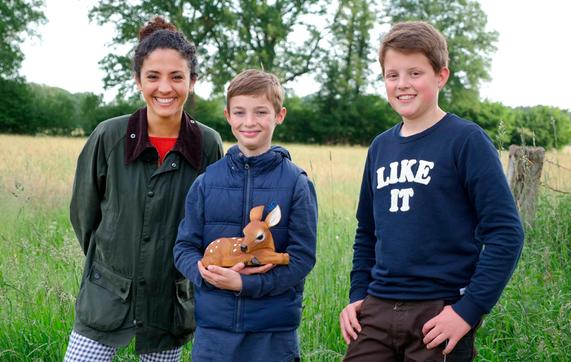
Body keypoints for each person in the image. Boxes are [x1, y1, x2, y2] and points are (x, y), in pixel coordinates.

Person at [339, 21, 525, 362]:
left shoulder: (465, 141)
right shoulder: (380, 147)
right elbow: (367, 232)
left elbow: (506, 232)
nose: (402, 84)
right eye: (392, 75)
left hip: (439, 312)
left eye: (415, 73)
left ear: (441, 76)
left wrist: (468, 311)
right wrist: (356, 295)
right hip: (377, 310)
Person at [64, 17, 223, 361]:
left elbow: (209, 221)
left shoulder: (208, 144)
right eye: (153, 76)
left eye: (177, 76)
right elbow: (83, 214)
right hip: (105, 296)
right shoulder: (109, 136)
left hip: (170, 304)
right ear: (138, 80)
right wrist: (111, 263)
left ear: (192, 81)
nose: (164, 88)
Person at [174, 69, 317, 362]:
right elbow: (184, 248)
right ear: (228, 116)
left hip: (272, 335)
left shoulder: (296, 183)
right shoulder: (206, 181)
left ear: (279, 115)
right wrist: (203, 274)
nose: (249, 122)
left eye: (261, 112)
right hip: (214, 334)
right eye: (240, 112)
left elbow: (302, 258)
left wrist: (246, 285)